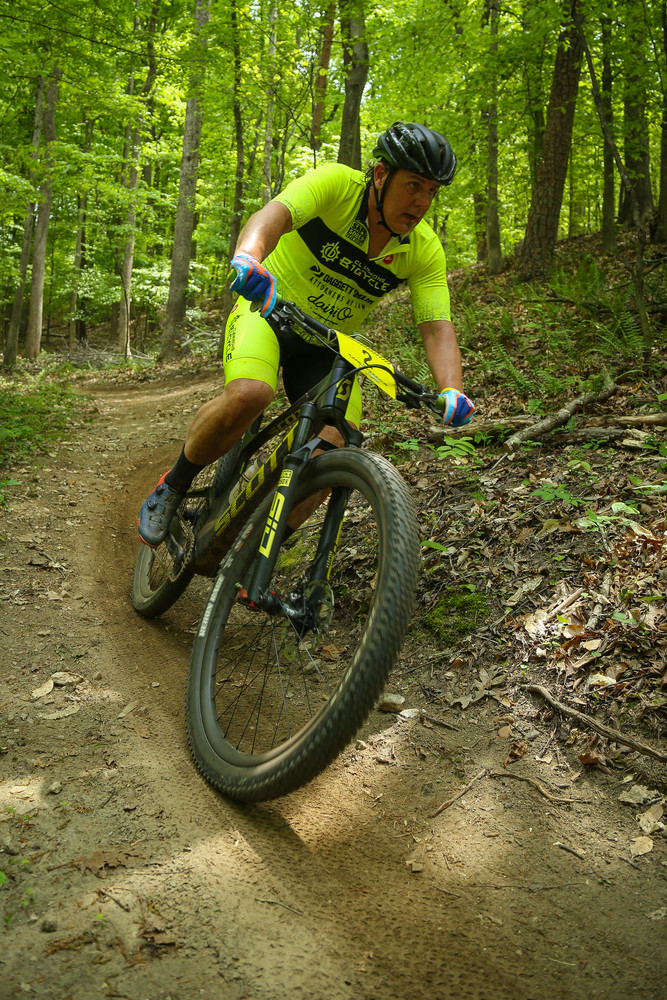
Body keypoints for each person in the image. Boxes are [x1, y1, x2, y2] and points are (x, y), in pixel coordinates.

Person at [138, 121, 475, 547]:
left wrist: (452, 389)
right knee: (249, 396)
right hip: (268, 311)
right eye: (413, 186)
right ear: (380, 174)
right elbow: (274, 214)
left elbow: (437, 326)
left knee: (335, 443)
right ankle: (174, 485)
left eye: (432, 191)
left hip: (327, 345)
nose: (422, 202)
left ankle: (257, 552)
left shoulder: (423, 248)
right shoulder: (337, 185)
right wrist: (250, 256)